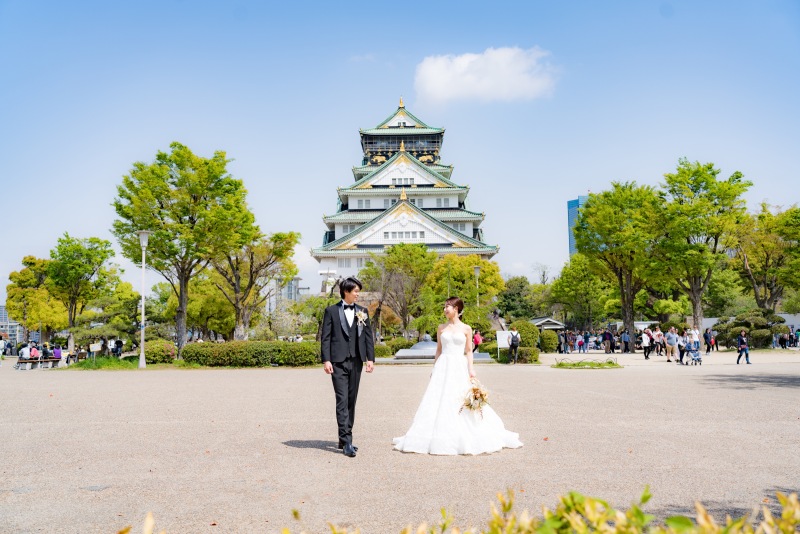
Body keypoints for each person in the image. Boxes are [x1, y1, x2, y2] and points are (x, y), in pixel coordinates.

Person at [393, 297, 522, 455]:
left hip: (459, 365)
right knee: (438, 398)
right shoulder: (441, 327)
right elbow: (439, 350)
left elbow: (468, 351)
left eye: (448, 306)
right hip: (443, 365)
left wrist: (471, 369)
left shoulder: (466, 328)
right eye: (444, 306)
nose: (445, 309)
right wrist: (434, 367)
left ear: (456, 309)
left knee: (460, 396)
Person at [320, 277, 375, 458]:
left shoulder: (362, 311)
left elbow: (368, 336)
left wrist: (370, 359)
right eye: (356, 291)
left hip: (356, 361)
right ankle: (347, 440)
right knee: (342, 400)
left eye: (358, 291)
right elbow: (326, 337)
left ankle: (344, 439)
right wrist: (326, 360)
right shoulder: (331, 311)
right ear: (346, 291)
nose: (358, 294)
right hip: (337, 362)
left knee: (352, 400)